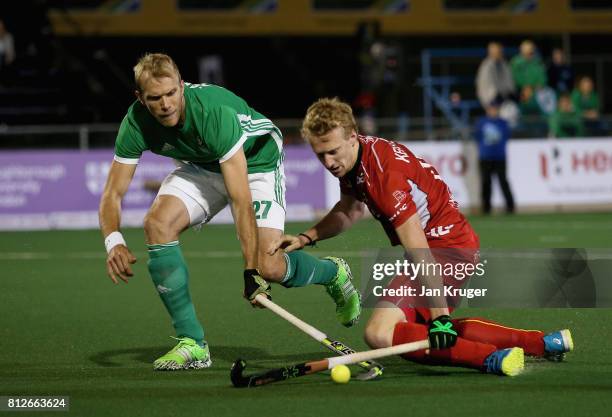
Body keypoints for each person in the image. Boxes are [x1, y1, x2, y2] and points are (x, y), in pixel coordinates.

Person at [270, 98, 574, 376]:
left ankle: (491, 358)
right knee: (425, 328)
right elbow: (349, 211)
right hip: (452, 242)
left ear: (352, 136)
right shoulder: (360, 158)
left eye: (333, 151)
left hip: (443, 249)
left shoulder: (383, 178)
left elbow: (418, 250)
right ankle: (545, 343)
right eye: (320, 154)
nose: (329, 163)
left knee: (380, 333)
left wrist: (439, 315)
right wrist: (305, 238)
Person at [98, 54, 361, 371]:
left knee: (269, 266)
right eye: (155, 98)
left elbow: (240, 199)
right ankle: (192, 343)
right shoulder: (135, 122)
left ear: (182, 86)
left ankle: (333, 273)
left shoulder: (212, 112)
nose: (166, 104)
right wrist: (113, 240)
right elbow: (113, 192)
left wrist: (250, 272)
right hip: (201, 167)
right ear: (140, 98)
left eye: (171, 93)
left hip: (255, 164)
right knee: (157, 224)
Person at [474, 101, 515, 214]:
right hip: (485, 157)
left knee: (503, 181)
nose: (493, 111)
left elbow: (506, 136)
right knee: (486, 182)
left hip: (499, 157)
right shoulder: (481, 122)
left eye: (494, 109)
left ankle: (510, 206)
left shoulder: (503, 123)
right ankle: (486, 208)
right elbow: (477, 137)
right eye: (491, 109)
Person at [475, 42, 515, 109]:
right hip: (491, 100)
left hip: (504, 98)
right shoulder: (486, 66)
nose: (499, 53)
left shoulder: (504, 64)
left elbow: (510, 84)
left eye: (500, 51)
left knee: (512, 110)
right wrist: (491, 103)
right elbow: (485, 89)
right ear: (491, 53)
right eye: (496, 51)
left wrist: (510, 94)